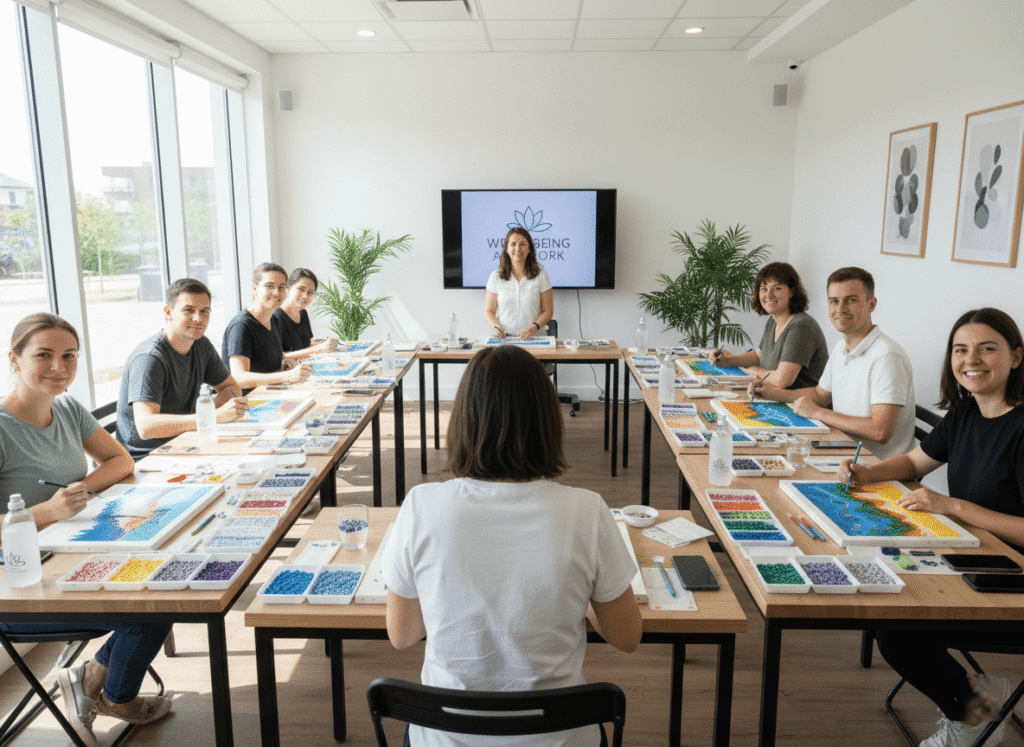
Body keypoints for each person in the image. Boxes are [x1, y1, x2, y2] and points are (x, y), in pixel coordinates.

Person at [382, 345, 641, 747]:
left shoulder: (421, 505)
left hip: (445, 739)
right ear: (548, 421)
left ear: (462, 420)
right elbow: (626, 636)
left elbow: (403, 634)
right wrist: (578, 591)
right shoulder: (586, 511)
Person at [840, 307, 1024, 747]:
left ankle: (973, 713)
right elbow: (916, 462)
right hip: (976, 555)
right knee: (888, 598)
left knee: (898, 630)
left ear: (1016, 358)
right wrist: (868, 473)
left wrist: (953, 506)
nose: (971, 359)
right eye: (961, 350)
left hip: (1013, 580)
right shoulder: (965, 414)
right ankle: (977, 696)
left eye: (987, 348)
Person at [0, 313, 173, 747]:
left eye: (69, 356)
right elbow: (43, 515)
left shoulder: (69, 408)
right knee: (152, 606)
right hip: (18, 582)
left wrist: (78, 491)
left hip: (71, 553)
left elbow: (120, 461)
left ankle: (87, 679)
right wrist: (47, 511)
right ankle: (114, 694)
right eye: (44, 354)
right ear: (14, 361)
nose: (59, 366)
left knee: (168, 580)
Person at [754, 267, 915, 460]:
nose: (840, 309)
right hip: (841, 450)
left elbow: (879, 431)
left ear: (871, 304)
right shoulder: (841, 348)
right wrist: (773, 394)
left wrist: (818, 413)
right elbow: (819, 395)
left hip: (875, 466)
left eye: (851, 300)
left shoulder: (887, 356)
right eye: (834, 301)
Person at [116, 278, 248, 459]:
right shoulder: (149, 359)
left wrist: (210, 414)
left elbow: (232, 388)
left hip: (187, 441)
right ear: (168, 312)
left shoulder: (200, 344)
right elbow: (146, 427)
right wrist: (210, 418)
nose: (198, 318)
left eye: (205, 311)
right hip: (148, 456)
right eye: (189, 310)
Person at [710, 261, 828, 390]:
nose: (769, 295)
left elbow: (782, 381)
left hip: (800, 406)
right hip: (777, 397)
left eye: (777, 288)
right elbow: (759, 356)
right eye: (764, 289)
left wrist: (756, 371)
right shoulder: (773, 320)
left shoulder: (801, 326)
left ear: (792, 292)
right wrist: (727, 360)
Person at [222, 262, 311, 394]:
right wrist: (287, 376)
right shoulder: (241, 326)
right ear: (254, 288)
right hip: (248, 404)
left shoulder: (274, 320)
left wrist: (285, 363)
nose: (276, 292)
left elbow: (271, 358)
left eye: (281, 287)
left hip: (271, 394)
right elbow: (238, 377)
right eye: (269, 286)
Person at [484, 227, 554, 340]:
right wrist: (496, 327)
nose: (518, 248)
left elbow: (548, 311)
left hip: (535, 339)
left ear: (529, 249)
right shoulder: (495, 276)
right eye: (513, 244)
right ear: (506, 249)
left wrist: (534, 327)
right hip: (505, 340)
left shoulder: (541, 275)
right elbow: (489, 311)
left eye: (522, 244)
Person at [273, 268, 338, 360]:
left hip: (304, 366)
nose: (305, 296)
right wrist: (319, 349)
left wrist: (323, 344)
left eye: (310, 292)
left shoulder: (303, 313)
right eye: (301, 289)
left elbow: (304, 345)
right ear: (287, 290)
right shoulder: (275, 317)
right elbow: (277, 357)